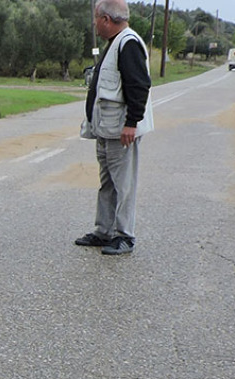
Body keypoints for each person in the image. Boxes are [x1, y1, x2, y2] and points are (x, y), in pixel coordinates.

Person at [75, 0, 153, 255]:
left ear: (107, 19)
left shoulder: (128, 43)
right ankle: (104, 231)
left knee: (124, 185)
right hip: (106, 130)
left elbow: (139, 86)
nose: (95, 24)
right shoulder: (115, 43)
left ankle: (124, 236)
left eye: (97, 19)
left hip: (121, 132)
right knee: (107, 183)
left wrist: (132, 123)